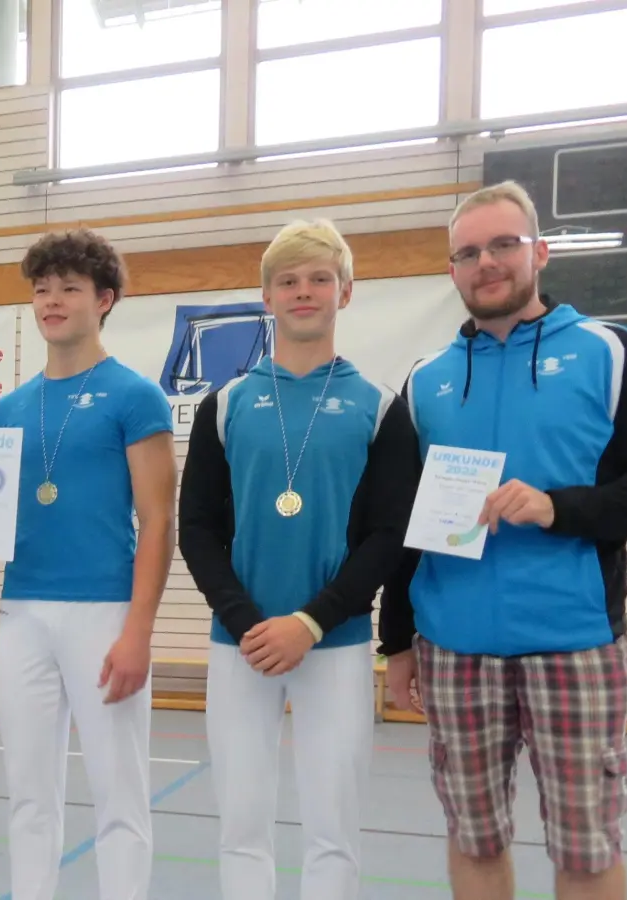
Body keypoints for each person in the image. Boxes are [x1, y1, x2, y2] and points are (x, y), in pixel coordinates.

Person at [382, 180, 627, 900]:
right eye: (468, 252)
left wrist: (556, 508)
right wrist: (399, 641)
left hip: (576, 642)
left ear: (538, 251)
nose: (487, 263)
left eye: (503, 244)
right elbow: (399, 525)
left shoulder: (609, 353)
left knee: (587, 848)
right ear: (452, 271)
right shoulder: (425, 381)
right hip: (453, 650)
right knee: (473, 839)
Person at [0, 229, 178, 900]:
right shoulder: (8, 406)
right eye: (42, 289)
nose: (52, 301)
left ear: (105, 299)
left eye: (69, 288)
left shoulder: (134, 396)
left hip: (105, 612)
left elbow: (158, 520)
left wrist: (138, 632)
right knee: (30, 797)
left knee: (119, 796)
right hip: (21, 614)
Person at [178, 221, 420, 900]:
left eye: (319, 278)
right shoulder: (225, 405)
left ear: (346, 291)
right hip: (241, 644)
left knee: (333, 829)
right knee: (241, 824)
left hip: (336, 644)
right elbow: (196, 529)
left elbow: (388, 534)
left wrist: (310, 623)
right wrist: (246, 619)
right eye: (288, 281)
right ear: (266, 296)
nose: (303, 291)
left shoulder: (378, 408)